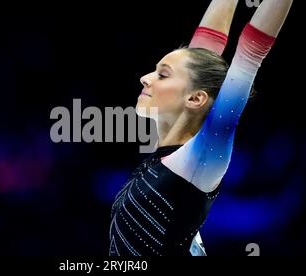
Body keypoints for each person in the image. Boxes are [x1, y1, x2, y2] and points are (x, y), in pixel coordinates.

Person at [109, 0, 293, 256]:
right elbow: (201, 62)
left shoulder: (199, 160)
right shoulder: (175, 156)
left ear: (195, 99)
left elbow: (248, 57)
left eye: (162, 75)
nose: (145, 77)